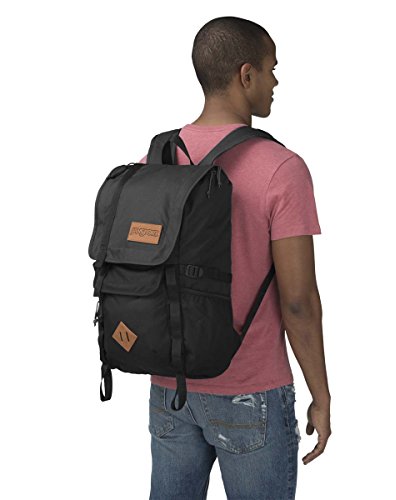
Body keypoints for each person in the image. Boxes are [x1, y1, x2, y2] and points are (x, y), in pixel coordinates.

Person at [139, 16, 331, 500]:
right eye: (271, 69)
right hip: (251, 393)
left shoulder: (156, 159)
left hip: (170, 386)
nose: (276, 82)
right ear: (247, 75)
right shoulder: (282, 169)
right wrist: (321, 393)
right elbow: (299, 301)